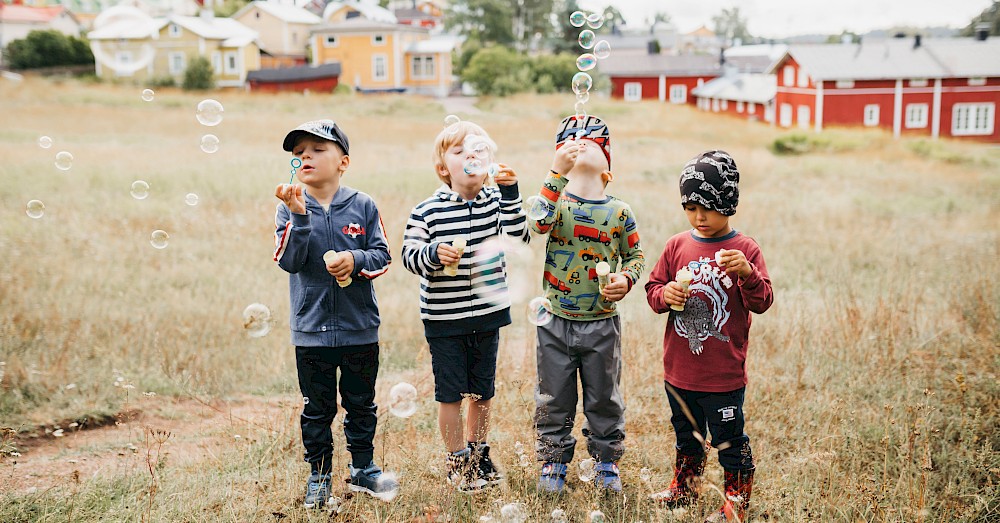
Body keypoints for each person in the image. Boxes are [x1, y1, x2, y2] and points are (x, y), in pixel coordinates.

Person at [273, 119, 398, 508]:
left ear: (343, 161)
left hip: (359, 328)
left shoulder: (363, 205)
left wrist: (354, 259)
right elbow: (289, 261)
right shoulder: (290, 208)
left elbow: (382, 256)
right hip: (311, 330)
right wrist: (298, 215)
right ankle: (320, 475)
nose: (306, 155)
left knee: (361, 404)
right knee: (317, 409)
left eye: (317, 149)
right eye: (299, 153)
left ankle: (363, 469)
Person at [644, 150, 773, 522]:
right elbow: (653, 290)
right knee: (687, 437)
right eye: (690, 207)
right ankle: (685, 488)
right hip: (679, 371)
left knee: (729, 441)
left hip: (723, 375)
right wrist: (664, 294)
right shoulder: (677, 245)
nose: (698, 217)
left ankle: (737, 500)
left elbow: (762, 301)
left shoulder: (744, 250)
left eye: (708, 208)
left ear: (728, 203)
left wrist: (747, 274)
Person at [401, 120, 529, 492]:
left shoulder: (496, 202)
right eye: (459, 152)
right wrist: (433, 253)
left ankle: (478, 451)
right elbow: (410, 256)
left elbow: (519, 236)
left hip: (488, 315)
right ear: (444, 168)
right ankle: (457, 459)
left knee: (482, 391)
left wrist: (510, 193)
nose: (471, 156)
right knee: (451, 394)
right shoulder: (427, 211)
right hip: (445, 318)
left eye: (479, 150)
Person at [527, 115, 645, 494]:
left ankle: (606, 461)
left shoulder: (620, 211)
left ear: (608, 168)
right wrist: (554, 174)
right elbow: (538, 224)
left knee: (604, 395)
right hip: (555, 321)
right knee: (553, 395)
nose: (584, 142)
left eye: (595, 141)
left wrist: (626, 279)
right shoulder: (556, 204)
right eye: (573, 140)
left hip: (601, 322)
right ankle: (552, 461)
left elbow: (636, 255)